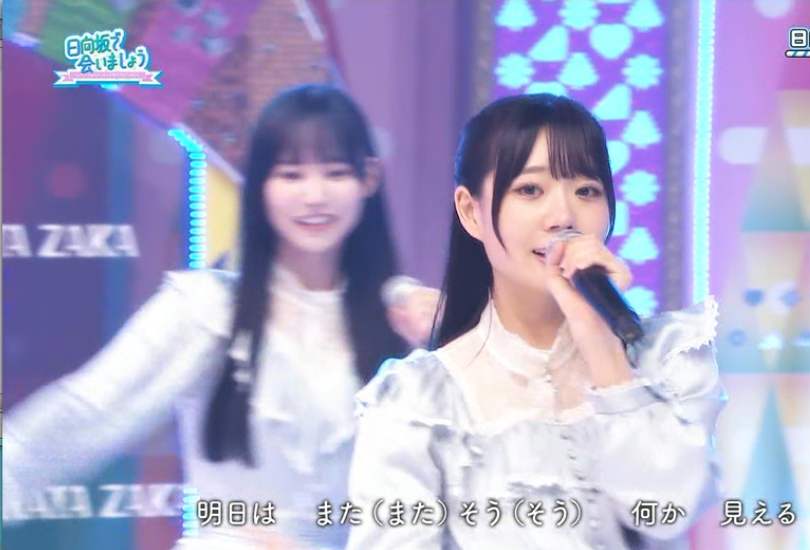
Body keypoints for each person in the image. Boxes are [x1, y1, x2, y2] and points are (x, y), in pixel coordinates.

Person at [3, 84, 437, 549]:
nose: (314, 196)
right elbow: (87, 411)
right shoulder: (206, 309)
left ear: (368, 178)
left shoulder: (402, 319)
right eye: (291, 175)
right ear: (260, 185)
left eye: (335, 173)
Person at [346, 94, 725, 549]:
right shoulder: (415, 402)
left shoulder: (669, 358)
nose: (563, 216)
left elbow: (667, 509)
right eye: (530, 190)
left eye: (586, 191)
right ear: (470, 211)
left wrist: (600, 344)